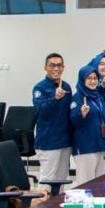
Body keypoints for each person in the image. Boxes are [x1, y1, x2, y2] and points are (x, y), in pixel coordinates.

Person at [32, 52, 73, 186]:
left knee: (62, 180)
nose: (56, 68)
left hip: (64, 141)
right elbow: (41, 111)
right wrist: (54, 98)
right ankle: (41, 207)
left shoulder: (66, 87)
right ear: (46, 67)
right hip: (48, 142)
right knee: (47, 181)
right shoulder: (39, 88)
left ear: (63, 67)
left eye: (59, 65)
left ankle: (57, 206)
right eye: (52, 65)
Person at [69, 66, 105, 184]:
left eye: (95, 78)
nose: (93, 81)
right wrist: (81, 114)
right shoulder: (77, 97)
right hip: (86, 147)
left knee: (100, 183)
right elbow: (73, 121)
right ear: (82, 79)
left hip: (100, 145)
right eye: (89, 78)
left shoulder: (98, 96)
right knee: (86, 183)